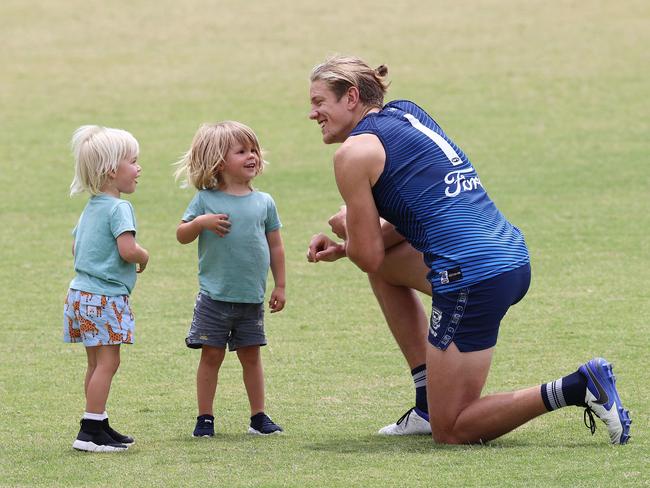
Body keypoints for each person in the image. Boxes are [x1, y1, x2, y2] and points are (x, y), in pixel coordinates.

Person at [306, 55, 631, 444]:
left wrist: (351, 230)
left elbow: (368, 256)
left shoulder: (352, 155)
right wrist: (349, 244)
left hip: (471, 277)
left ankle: (578, 386)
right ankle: (426, 406)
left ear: (351, 96)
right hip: (510, 256)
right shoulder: (408, 114)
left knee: (454, 429)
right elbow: (417, 217)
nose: (313, 113)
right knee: (386, 271)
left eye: (319, 102)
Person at [175, 121, 286, 437]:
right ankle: (205, 418)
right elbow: (182, 234)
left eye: (253, 150)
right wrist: (200, 222)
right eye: (241, 151)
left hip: (251, 297)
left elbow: (275, 246)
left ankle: (259, 417)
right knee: (212, 356)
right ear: (219, 162)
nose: (252, 156)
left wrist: (280, 284)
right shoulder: (205, 201)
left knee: (252, 357)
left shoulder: (264, 201)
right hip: (215, 297)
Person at [64, 125, 149, 452]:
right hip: (105, 298)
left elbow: (76, 248)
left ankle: (97, 422)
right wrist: (144, 255)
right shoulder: (119, 208)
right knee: (108, 363)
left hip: (79, 295)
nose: (139, 168)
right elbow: (128, 250)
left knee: (95, 363)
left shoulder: (92, 207)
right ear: (113, 170)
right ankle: (89, 431)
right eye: (134, 161)